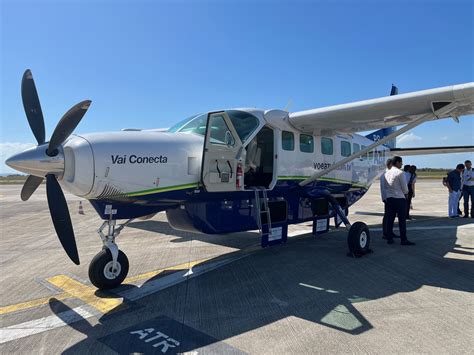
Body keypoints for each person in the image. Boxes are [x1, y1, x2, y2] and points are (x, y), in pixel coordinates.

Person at [385, 156, 415, 245]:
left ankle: (389, 238)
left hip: (389, 199)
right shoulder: (400, 173)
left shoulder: (387, 173)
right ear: (397, 162)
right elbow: (405, 188)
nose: (402, 164)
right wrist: (406, 194)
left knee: (390, 220)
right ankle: (403, 239)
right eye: (401, 162)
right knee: (402, 220)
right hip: (399, 199)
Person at [380, 158, 393, 239]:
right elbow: (383, 188)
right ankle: (385, 233)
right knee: (387, 215)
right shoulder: (384, 174)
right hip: (388, 198)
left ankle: (390, 231)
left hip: (392, 197)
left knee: (391, 215)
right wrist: (385, 198)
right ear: (388, 165)